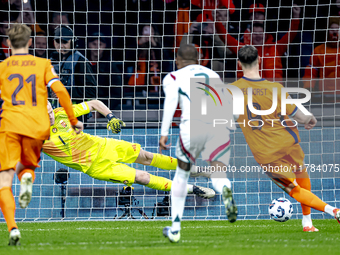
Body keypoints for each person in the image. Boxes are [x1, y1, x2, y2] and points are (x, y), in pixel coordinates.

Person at [232, 45, 340, 232]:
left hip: (267, 153)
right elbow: (299, 115)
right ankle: (307, 223)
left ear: (239, 63)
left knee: (294, 189)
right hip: (289, 142)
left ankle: (334, 210)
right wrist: (309, 118)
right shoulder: (275, 88)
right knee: (301, 173)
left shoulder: (232, 91)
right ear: (259, 61)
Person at [0, 24, 83, 246]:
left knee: (4, 180)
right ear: (29, 43)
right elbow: (61, 92)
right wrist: (73, 121)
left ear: (8, 43)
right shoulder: (43, 64)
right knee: (26, 167)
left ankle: (13, 228)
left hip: (10, 125)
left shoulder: (3, 68)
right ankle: (27, 175)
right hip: (37, 126)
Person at [42, 100, 215, 199]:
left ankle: (196, 170)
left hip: (104, 146)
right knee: (142, 177)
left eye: (50, 110)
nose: (51, 115)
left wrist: (111, 117)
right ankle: (194, 189)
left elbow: (94, 103)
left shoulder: (60, 113)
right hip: (97, 167)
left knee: (147, 156)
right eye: (46, 113)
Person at [159, 44, 237, 243]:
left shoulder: (173, 77)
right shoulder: (213, 74)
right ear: (199, 58)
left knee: (181, 176)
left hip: (192, 128)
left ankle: (175, 230)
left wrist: (164, 133)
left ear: (177, 59)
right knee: (219, 174)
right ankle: (226, 190)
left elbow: (170, 104)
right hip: (219, 128)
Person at [215, 4, 301, 80]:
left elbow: (291, 34)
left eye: (260, 33)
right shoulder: (243, 48)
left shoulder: (276, 47)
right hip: (250, 91)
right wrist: (217, 21)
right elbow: (225, 37)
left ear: (265, 35)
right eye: (255, 33)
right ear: (250, 35)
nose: (258, 35)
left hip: (272, 90)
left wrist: (296, 16)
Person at [50, 25, 96, 105]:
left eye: (65, 42)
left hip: (76, 112)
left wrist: (65, 91)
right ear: (53, 42)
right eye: (58, 41)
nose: (61, 45)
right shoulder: (52, 60)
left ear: (73, 42)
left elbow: (91, 90)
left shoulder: (80, 61)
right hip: (56, 111)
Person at [303, 17, 340, 103]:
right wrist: (308, 87)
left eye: (338, 29)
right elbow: (311, 72)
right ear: (327, 31)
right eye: (332, 29)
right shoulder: (319, 50)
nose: (335, 32)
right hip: (326, 96)